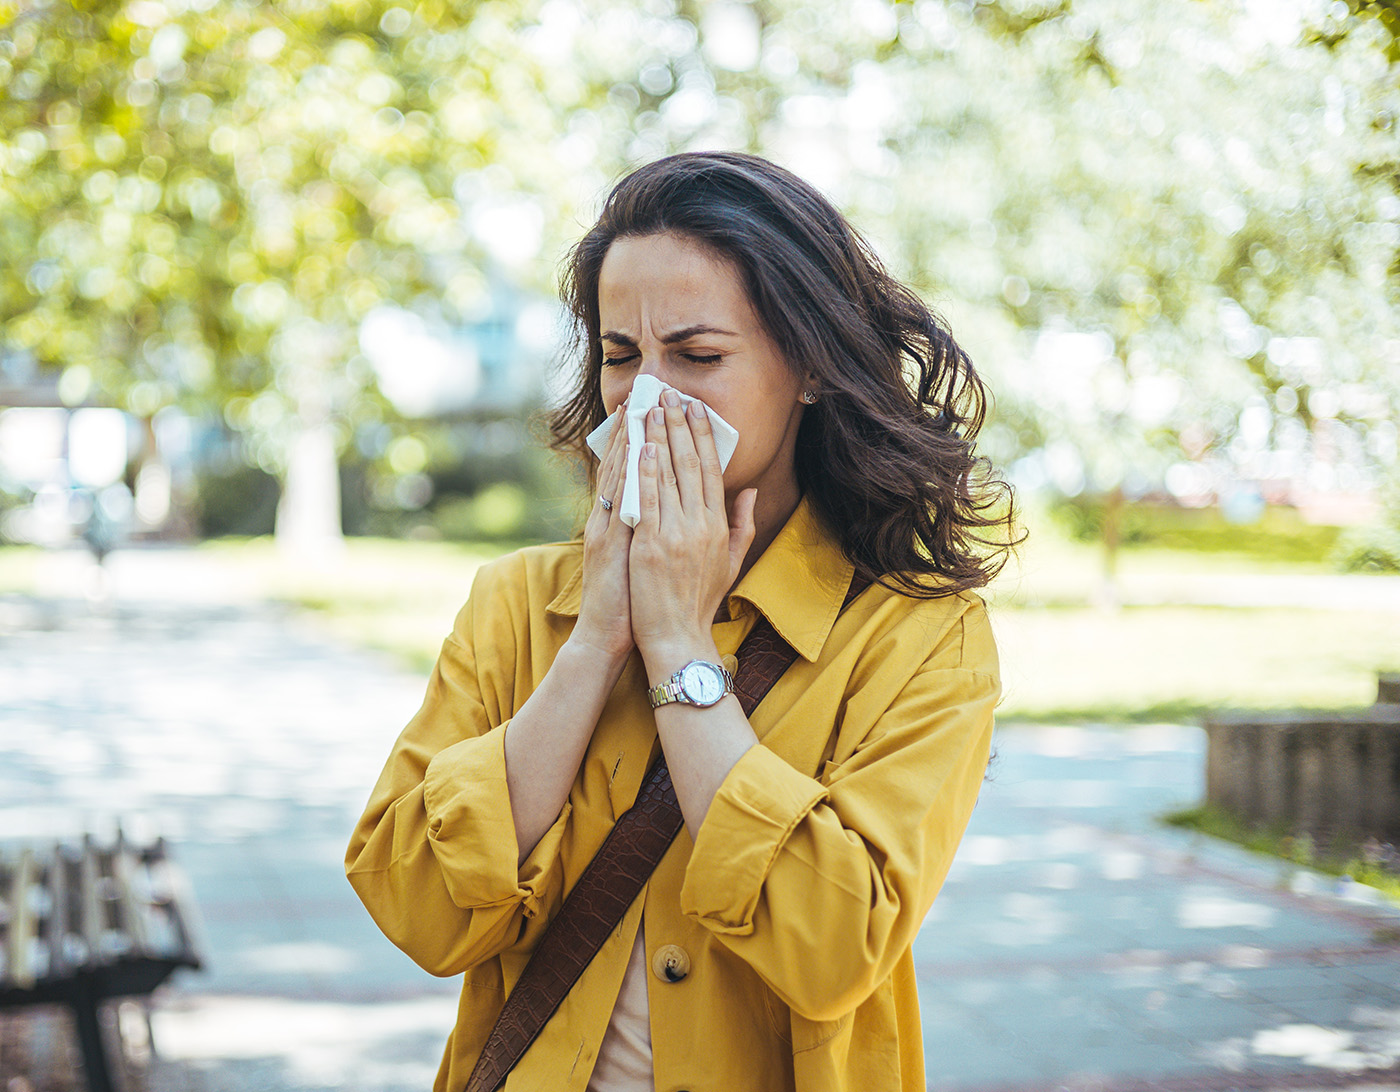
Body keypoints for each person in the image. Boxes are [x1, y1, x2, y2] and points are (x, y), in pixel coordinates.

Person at [347, 151, 1016, 1092]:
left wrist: (678, 645)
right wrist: (597, 642)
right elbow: (415, 905)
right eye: (621, 356)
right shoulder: (515, 604)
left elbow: (834, 948)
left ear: (811, 369)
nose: (647, 397)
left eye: (698, 356)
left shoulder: (919, 637)